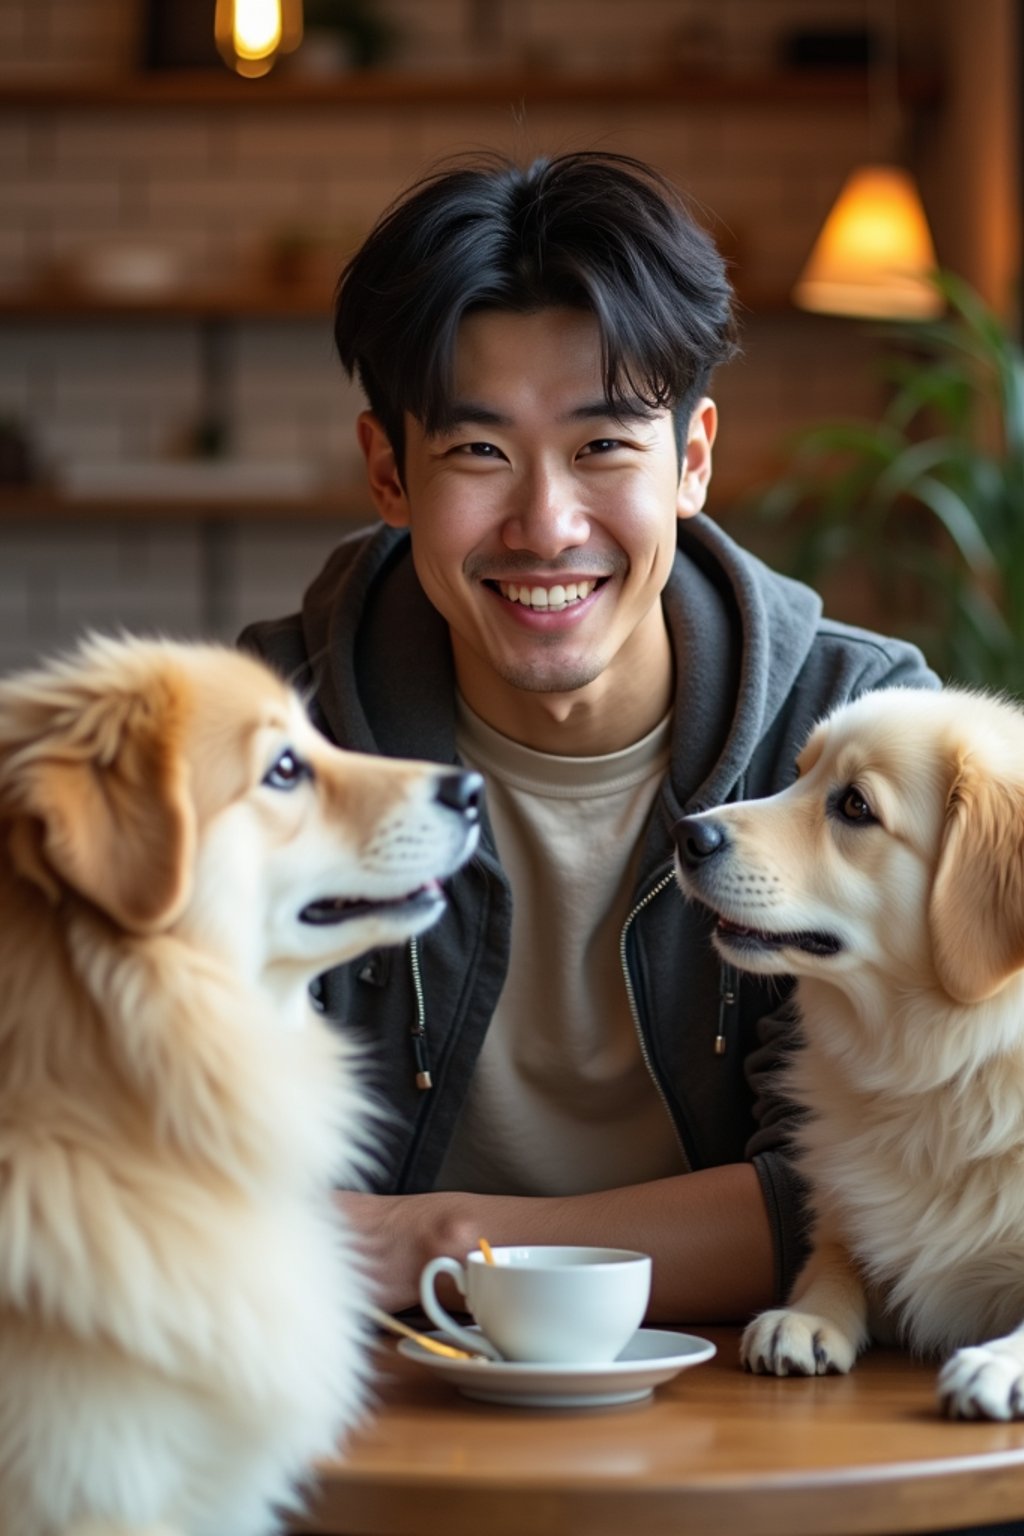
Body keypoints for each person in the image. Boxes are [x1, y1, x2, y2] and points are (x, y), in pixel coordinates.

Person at [241, 150, 938, 1322]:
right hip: (358, 1401)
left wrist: (443, 1242)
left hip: (754, 1396)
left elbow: (872, 1199)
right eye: (477, 452)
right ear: (387, 472)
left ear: (694, 458)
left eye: (604, 445)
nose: (545, 525)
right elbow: (164, 1151)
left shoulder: (858, 746)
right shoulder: (271, 729)